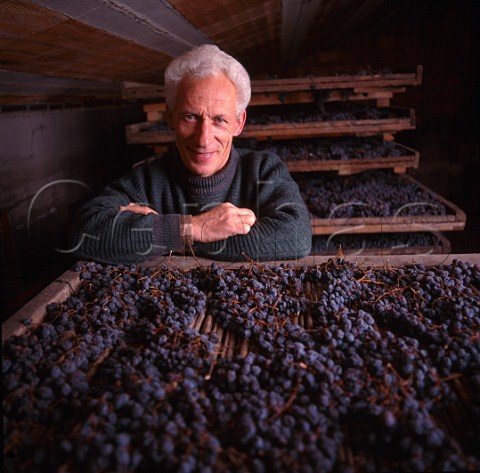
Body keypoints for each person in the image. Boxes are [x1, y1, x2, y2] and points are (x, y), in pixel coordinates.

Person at [69, 44, 312, 264]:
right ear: (170, 116)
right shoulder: (146, 179)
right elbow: (84, 232)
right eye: (190, 117)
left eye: (219, 120)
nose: (203, 139)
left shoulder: (263, 170)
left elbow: (296, 236)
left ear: (239, 123)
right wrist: (195, 228)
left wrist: (164, 238)